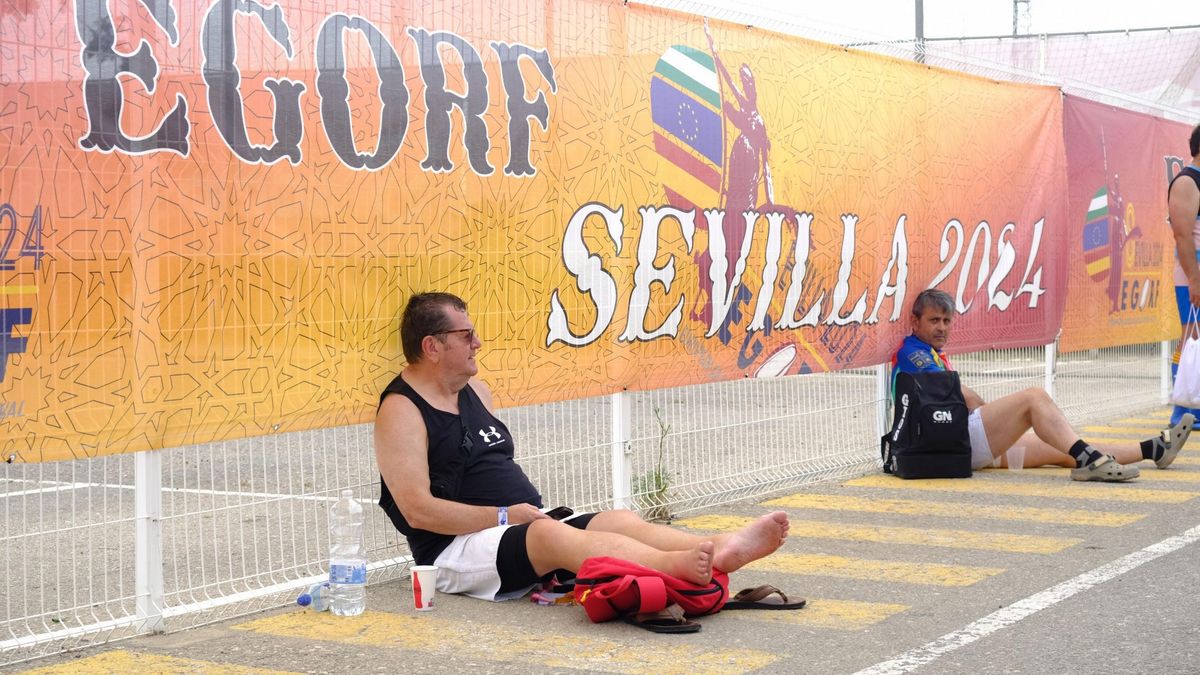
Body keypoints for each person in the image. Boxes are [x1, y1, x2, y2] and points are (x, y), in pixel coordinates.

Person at [374, 292, 790, 602]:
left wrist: (514, 516)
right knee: (548, 534)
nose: (477, 343)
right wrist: (504, 514)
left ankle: (718, 545)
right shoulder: (401, 410)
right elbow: (417, 510)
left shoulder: (476, 391)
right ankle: (675, 567)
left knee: (616, 519)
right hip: (453, 552)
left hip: (519, 528)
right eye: (466, 335)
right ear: (432, 346)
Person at [892, 289, 1193, 481]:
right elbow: (960, 395)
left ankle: (1152, 449)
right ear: (914, 321)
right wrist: (992, 415)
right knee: (1034, 398)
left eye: (946, 321)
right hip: (949, 442)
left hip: (953, 442)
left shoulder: (930, 351)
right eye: (935, 320)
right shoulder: (912, 352)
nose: (942, 327)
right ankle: (1092, 462)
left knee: (1065, 448)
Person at [1167, 124, 1200, 428]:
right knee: (1191, 336)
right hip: (1194, 268)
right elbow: (1182, 235)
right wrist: (1194, 278)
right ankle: (1183, 412)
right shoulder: (1187, 183)